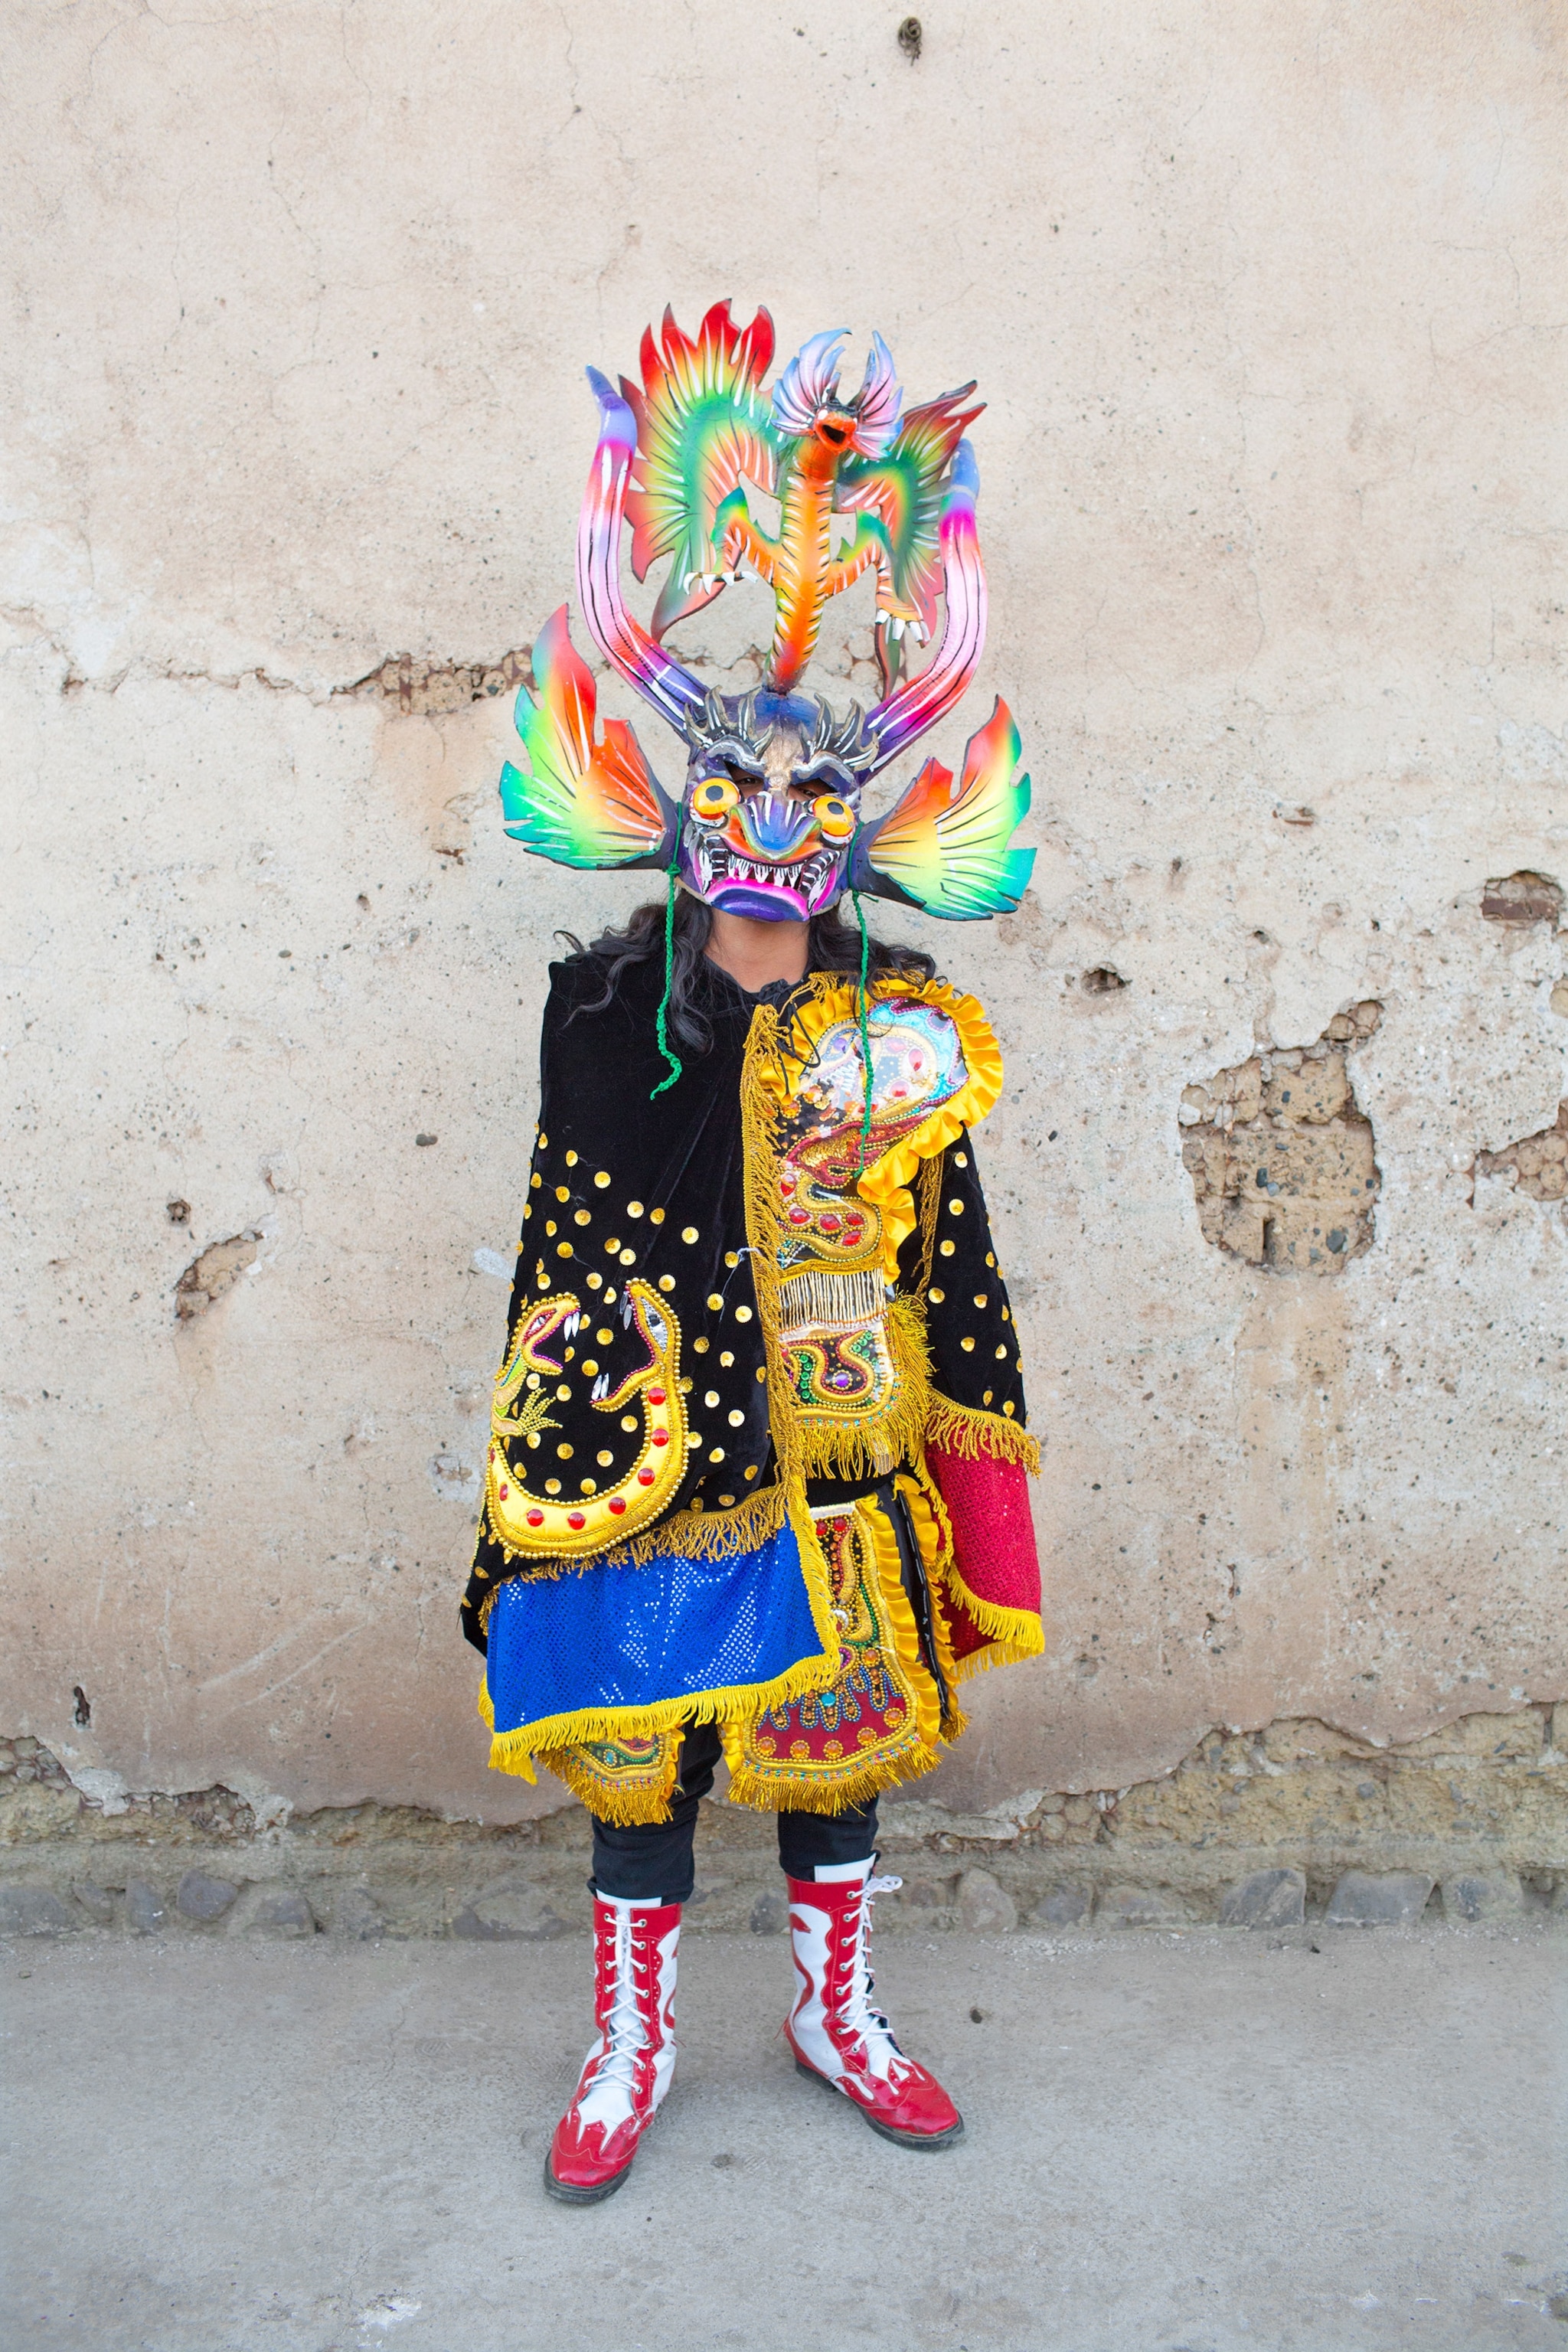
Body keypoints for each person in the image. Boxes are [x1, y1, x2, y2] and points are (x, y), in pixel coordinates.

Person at [461, 303, 1044, 2204]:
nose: (778, 828)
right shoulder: (598, 1014)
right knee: (650, 1767)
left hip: (836, 1455)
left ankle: (829, 2013)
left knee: (833, 1752)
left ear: (862, 824)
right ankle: (632, 2038)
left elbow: (944, 1251)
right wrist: (537, 1475)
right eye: (742, 796)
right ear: (684, 817)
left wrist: (961, 1452)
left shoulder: (907, 1020)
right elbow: (568, 1251)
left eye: (816, 800)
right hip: (654, 1450)